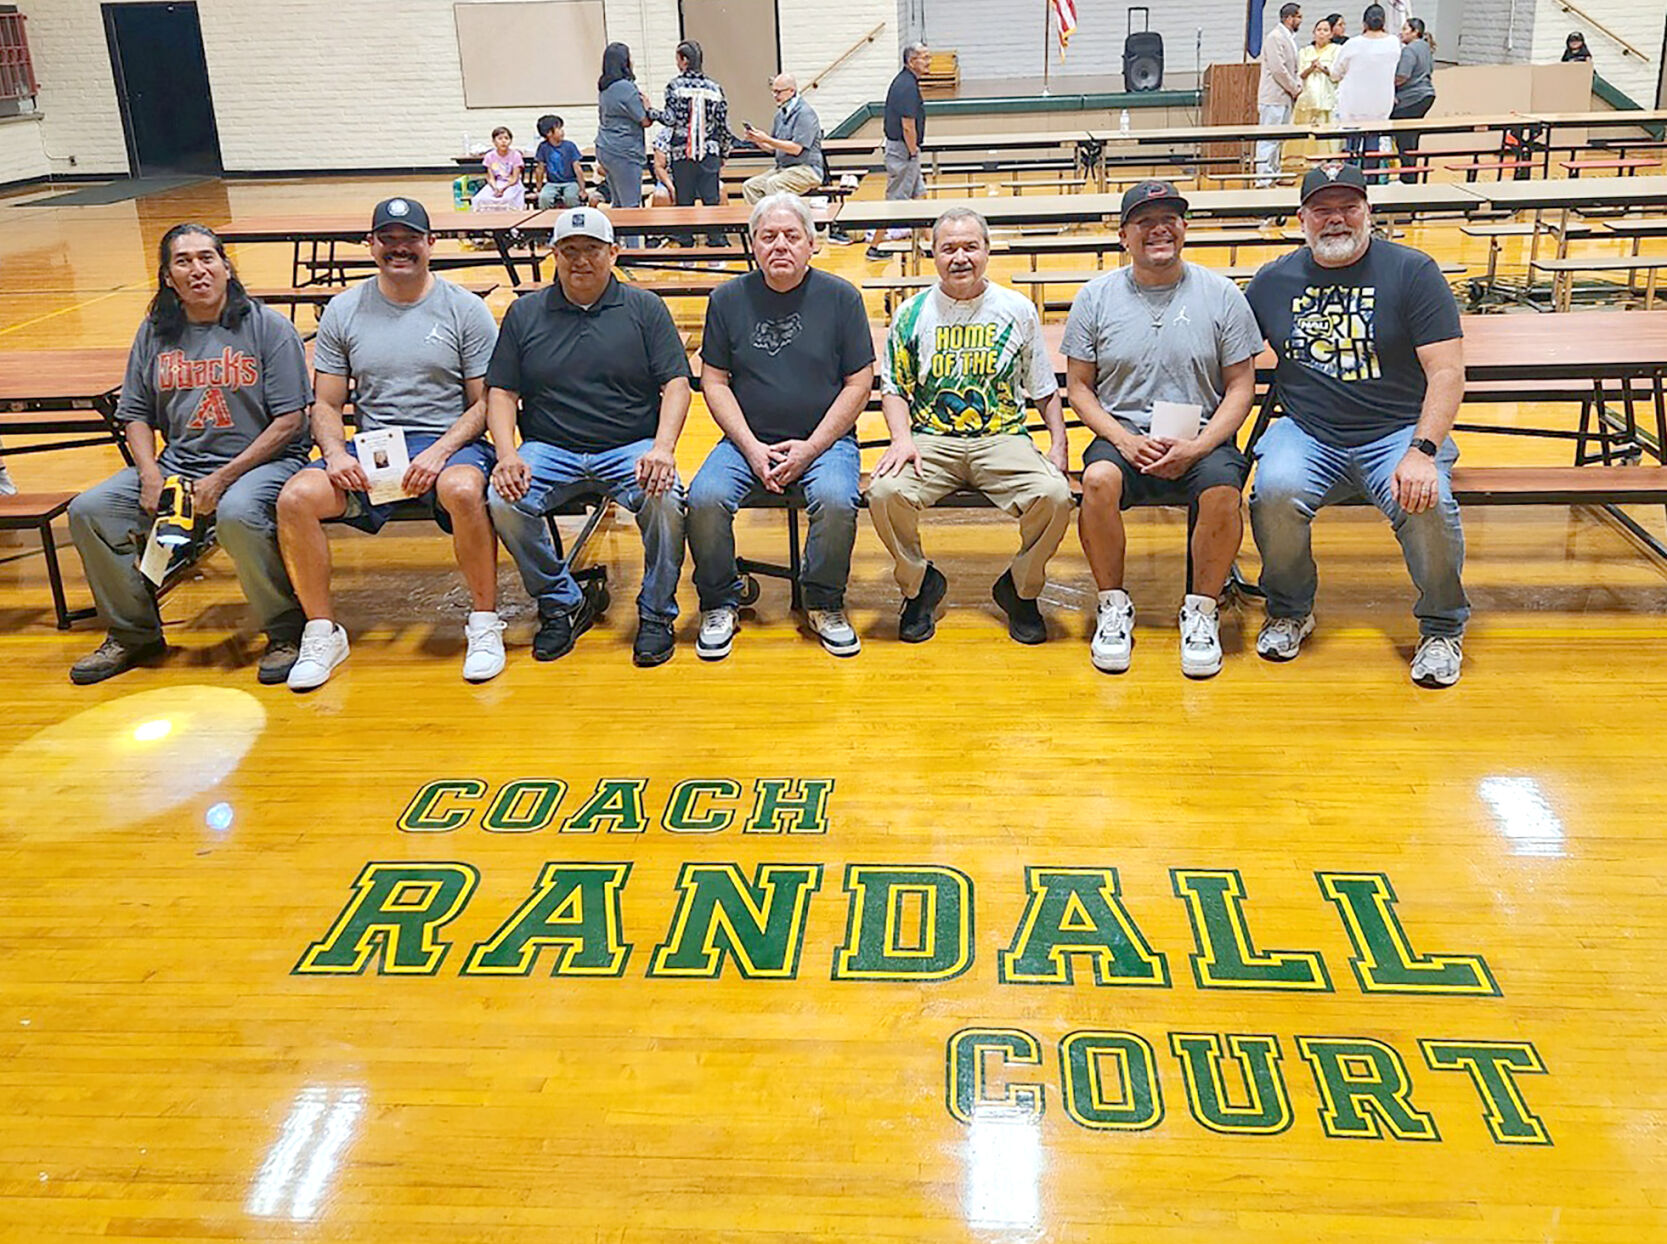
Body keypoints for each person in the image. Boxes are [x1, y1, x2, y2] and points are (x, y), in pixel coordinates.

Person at [1245, 165, 1469, 688]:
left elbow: (1447, 371)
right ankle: (1290, 610)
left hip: (1396, 431)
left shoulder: (1412, 272)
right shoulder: (1273, 281)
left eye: (1348, 207)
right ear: (1302, 219)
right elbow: (1232, 356)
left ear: (1369, 211)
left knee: (1427, 500)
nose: (1336, 220)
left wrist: (1423, 450)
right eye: (1323, 210)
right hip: (1307, 430)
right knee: (1273, 491)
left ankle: (1441, 628)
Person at [67, 223, 310, 685]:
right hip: (180, 465)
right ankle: (133, 633)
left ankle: (285, 630)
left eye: (207, 258)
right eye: (184, 261)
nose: (198, 269)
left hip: (262, 464)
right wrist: (149, 473)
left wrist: (223, 479)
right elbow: (135, 413)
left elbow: (290, 422)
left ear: (226, 266)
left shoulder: (266, 327)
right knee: (91, 511)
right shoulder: (155, 332)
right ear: (167, 276)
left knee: (238, 513)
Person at [275, 198, 503, 690]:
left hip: (448, 443)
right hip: (375, 448)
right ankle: (321, 631)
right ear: (371, 244)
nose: (400, 249)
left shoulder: (465, 309)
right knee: (295, 498)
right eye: (389, 240)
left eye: (411, 240)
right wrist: (335, 454)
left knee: (464, 490)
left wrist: (441, 450)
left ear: (430, 244)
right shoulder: (344, 310)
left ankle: (484, 623)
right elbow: (328, 403)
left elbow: (486, 403)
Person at [1063, 181, 1261, 678]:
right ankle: (1113, 604)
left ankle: (1201, 611)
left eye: (1169, 219)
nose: (1159, 230)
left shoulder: (1222, 295)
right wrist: (1125, 441)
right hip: (1124, 432)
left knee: (1222, 489)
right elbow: (1081, 388)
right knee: (1097, 482)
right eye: (1145, 222)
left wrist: (1199, 446)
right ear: (1123, 234)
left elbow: (1240, 386)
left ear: (1185, 228)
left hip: (1201, 434)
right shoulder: (1096, 297)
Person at [485, 207, 690, 667]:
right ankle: (562, 602)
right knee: (504, 499)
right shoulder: (525, 313)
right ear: (553, 255)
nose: (581, 261)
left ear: (613, 252)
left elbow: (676, 383)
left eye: (592, 250)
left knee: (667, 497)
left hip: (630, 446)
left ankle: (657, 613)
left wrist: (662, 448)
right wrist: (506, 454)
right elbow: (501, 391)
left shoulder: (644, 308)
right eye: (569, 250)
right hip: (549, 448)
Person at [868, 208, 1071, 644]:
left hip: (1002, 438)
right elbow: (894, 389)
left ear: (987, 251)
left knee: (1056, 495)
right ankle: (919, 586)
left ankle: (1020, 589)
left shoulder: (1016, 309)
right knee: (883, 492)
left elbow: (1042, 384)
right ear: (932, 255)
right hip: (930, 441)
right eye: (949, 248)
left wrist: (1059, 442)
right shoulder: (911, 313)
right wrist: (901, 439)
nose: (960, 257)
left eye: (970, 247)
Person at [687, 194, 873, 659]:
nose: (780, 246)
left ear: (812, 243)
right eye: (768, 237)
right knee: (703, 499)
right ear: (753, 245)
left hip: (824, 442)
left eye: (792, 236)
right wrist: (750, 447)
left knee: (834, 499)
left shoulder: (842, 298)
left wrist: (810, 448)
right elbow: (713, 380)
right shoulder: (727, 299)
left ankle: (824, 600)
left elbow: (859, 382)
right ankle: (719, 600)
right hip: (746, 441)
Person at [661, 40, 732, 245]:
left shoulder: (675, 86)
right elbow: (723, 125)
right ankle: (716, 240)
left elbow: (670, 119)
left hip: (683, 152)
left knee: (684, 200)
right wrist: (724, 153)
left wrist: (650, 112)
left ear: (684, 60)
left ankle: (686, 241)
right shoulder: (715, 88)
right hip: (709, 151)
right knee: (711, 199)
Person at [866, 43, 931, 262]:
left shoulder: (907, 81)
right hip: (903, 151)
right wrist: (913, 152)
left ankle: (929, 244)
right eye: (924, 57)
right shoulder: (906, 87)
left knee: (920, 194)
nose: (928, 61)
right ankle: (874, 247)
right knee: (895, 202)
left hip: (906, 150)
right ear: (911, 61)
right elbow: (907, 125)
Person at [596, 42, 656, 245]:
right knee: (631, 205)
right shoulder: (626, 87)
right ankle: (633, 252)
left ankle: (615, 247)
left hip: (605, 147)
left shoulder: (604, 87)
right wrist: (647, 106)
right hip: (625, 150)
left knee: (618, 203)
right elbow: (644, 121)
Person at [1330, 4, 1401, 171]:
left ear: (1364, 23)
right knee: (1372, 147)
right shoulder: (1393, 43)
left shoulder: (1353, 44)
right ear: (1384, 22)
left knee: (1352, 148)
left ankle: (1351, 180)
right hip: (1380, 104)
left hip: (1353, 104)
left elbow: (1335, 73)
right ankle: (1372, 181)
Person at [741, 75, 825, 203]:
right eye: (773, 91)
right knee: (750, 186)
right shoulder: (780, 115)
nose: (775, 95)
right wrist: (758, 140)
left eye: (778, 92)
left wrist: (767, 139)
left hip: (806, 169)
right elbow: (774, 148)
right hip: (783, 169)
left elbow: (796, 149)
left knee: (774, 184)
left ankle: (779, 220)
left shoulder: (805, 113)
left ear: (791, 91)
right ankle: (763, 221)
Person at [1256, 4, 1304, 187]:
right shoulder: (1275, 37)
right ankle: (1263, 178)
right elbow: (1279, 70)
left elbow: (1293, 68)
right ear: (1289, 18)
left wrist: (1297, 86)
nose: (1300, 21)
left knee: (1278, 140)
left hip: (1284, 98)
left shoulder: (1288, 37)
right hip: (1273, 97)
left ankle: (1274, 173)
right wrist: (1294, 88)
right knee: (1268, 139)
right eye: (1298, 17)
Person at [1388, 18, 1436, 183]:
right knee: (1412, 137)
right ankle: (1410, 174)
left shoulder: (1409, 50)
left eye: (1405, 29)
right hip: (1426, 95)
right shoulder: (1425, 47)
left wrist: (1387, 86)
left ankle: (1408, 176)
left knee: (1405, 138)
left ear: (1415, 32)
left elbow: (1402, 75)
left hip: (1411, 98)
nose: (1401, 32)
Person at [1295, 17, 1341, 158]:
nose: (1321, 33)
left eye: (1325, 30)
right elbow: (1300, 74)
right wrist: (1311, 67)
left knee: (1327, 132)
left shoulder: (1337, 50)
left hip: (1327, 97)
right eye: (1319, 30)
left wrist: (1323, 68)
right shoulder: (1305, 51)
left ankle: (1328, 159)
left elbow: (1337, 74)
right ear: (1314, 33)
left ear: (1331, 34)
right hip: (1307, 98)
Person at [533, 115, 588, 209]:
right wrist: (539, 188)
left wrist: (582, 189)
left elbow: (577, 168)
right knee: (544, 198)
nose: (562, 131)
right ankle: (547, 219)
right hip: (552, 183)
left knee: (570, 197)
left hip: (570, 182)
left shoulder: (570, 146)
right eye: (559, 128)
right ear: (548, 133)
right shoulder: (543, 147)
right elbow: (540, 169)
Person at [473, 127, 526, 211]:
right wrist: (495, 188)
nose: (503, 141)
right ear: (494, 141)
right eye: (500, 139)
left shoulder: (516, 155)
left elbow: (514, 178)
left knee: (507, 199)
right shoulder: (489, 156)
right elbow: (491, 177)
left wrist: (503, 188)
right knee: (480, 199)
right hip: (496, 183)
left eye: (506, 138)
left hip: (511, 184)